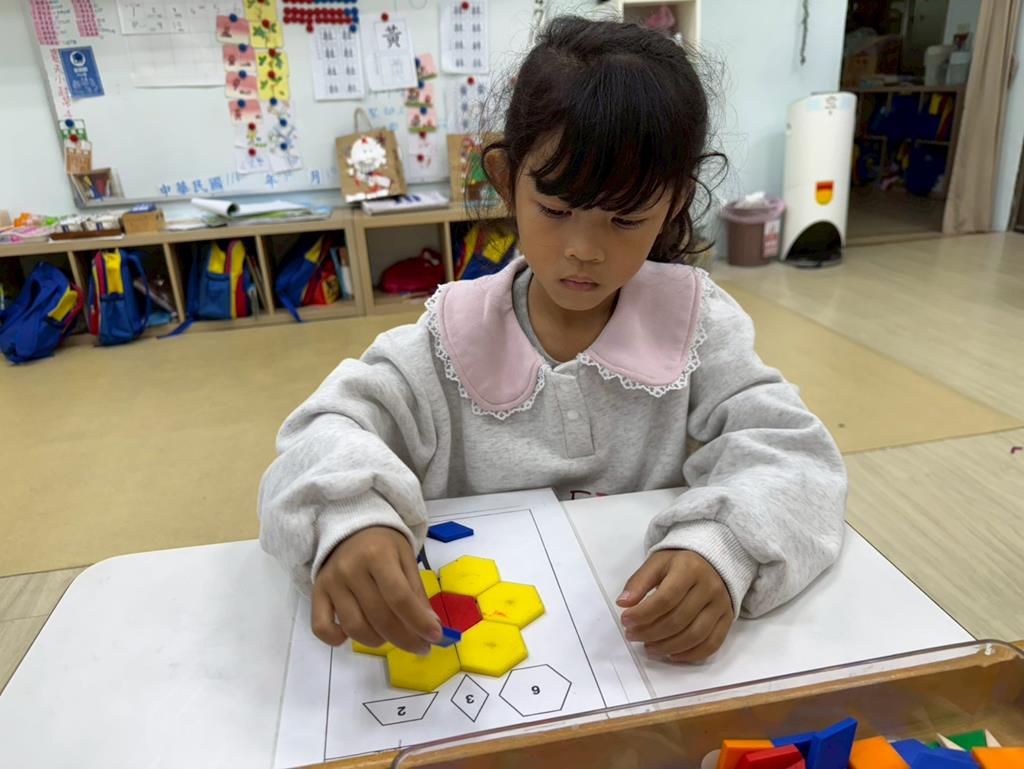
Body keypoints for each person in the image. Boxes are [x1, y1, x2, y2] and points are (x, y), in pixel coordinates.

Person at [258, 16, 847, 664]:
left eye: (626, 218)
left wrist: (724, 546)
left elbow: (797, 456)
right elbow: (321, 433)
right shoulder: (450, 338)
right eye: (557, 210)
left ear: (675, 202)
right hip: (475, 665)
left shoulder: (697, 324)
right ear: (506, 180)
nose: (584, 249)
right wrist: (351, 520)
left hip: (631, 660)